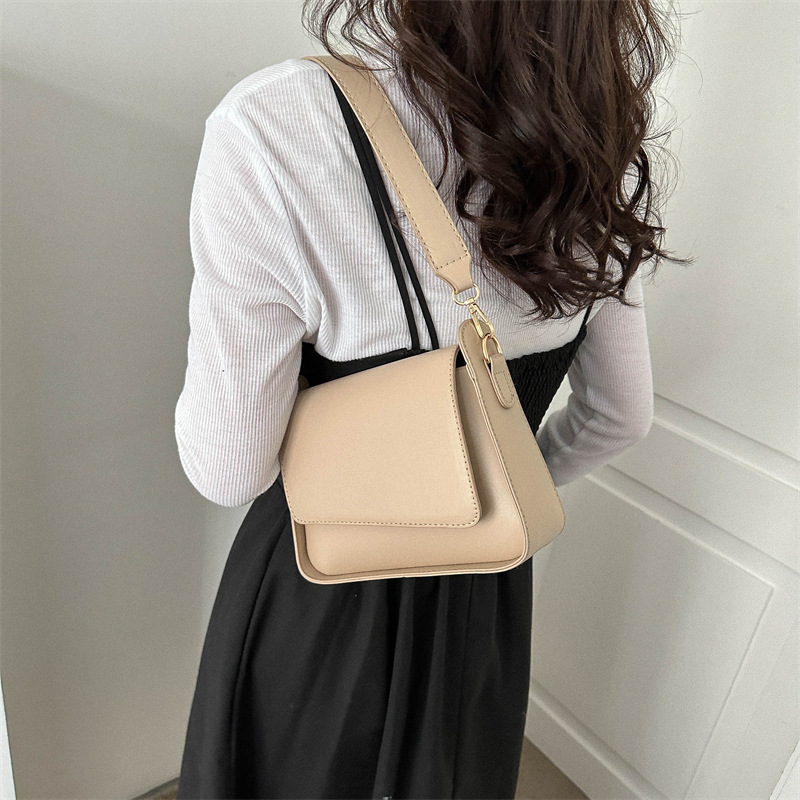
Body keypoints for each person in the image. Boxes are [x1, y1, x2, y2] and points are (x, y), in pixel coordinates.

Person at [173, 1, 688, 797]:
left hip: (325, 586)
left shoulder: (277, 124)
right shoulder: (598, 144)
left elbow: (227, 468)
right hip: (484, 580)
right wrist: (492, 481)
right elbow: (623, 413)